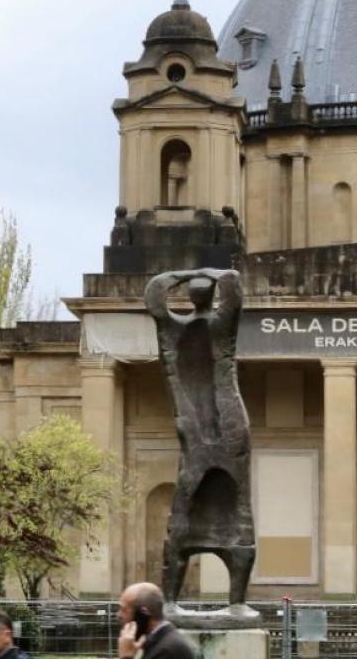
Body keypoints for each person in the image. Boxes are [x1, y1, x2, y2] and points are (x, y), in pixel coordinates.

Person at [144, 267, 255, 610]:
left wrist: (185, 273)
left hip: (207, 426)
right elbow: (233, 286)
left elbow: (155, 293)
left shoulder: (173, 330)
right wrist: (210, 271)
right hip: (214, 426)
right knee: (222, 505)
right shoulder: (217, 327)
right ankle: (213, 603)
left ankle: (221, 603)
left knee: (213, 504)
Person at [118, 581, 193, 659]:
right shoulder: (158, 642)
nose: (119, 615)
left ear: (143, 613)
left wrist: (126, 657)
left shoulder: (166, 651)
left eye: (124, 610)